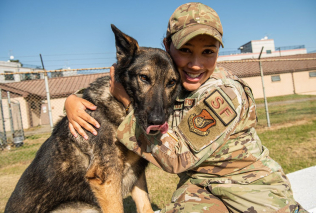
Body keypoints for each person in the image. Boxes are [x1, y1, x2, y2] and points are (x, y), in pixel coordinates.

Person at [64, 3, 307, 212]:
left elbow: (175, 159)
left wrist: (128, 105)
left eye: (208, 52)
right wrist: (72, 100)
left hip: (249, 187)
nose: (195, 64)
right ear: (167, 47)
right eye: (186, 50)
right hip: (199, 186)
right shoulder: (174, 80)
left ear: (218, 52)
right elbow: (129, 81)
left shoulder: (224, 93)